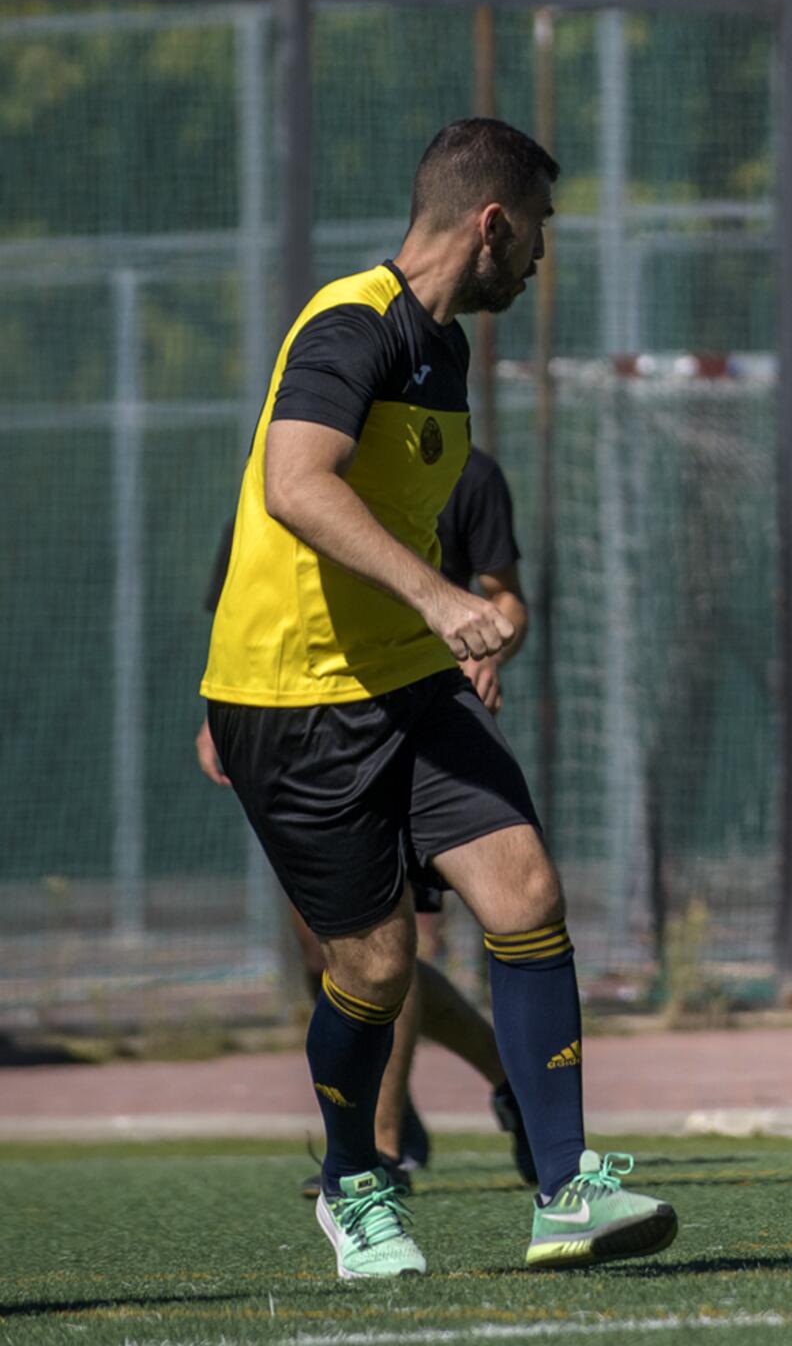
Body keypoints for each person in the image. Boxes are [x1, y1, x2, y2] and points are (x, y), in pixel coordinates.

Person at [201, 117, 675, 1280]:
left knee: (524, 889)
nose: (543, 257)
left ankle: (563, 1188)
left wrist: (473, 617)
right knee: (373, 966)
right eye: (539, 230)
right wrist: (439, 596)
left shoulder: (443, 350)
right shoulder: (350, 322)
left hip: (406, 682)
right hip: (295, 695)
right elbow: (294, 482)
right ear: (491, 223)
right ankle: (352, 1181)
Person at [196, 441, 540, 1194]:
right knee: (344, 958)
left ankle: (379, 1151)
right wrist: (215, 714)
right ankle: (508, 1079)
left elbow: (507, 597)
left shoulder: (464, 467)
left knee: (394, 939)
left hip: (415, 725)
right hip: (299, 726)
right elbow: (240, 603)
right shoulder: (290, 463)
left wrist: (491, 646)